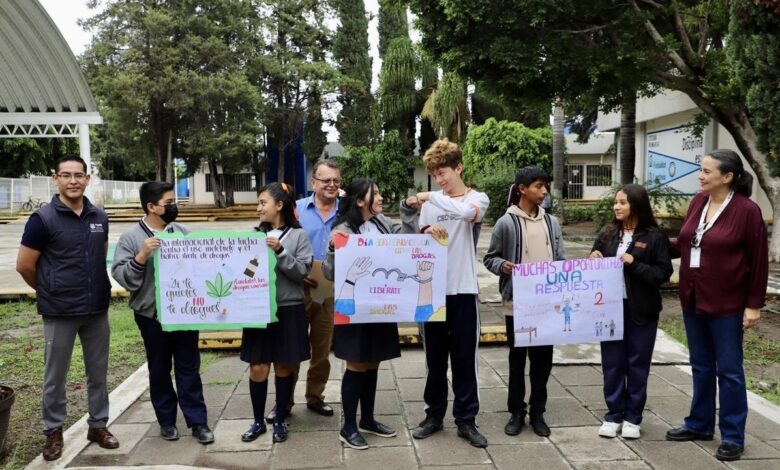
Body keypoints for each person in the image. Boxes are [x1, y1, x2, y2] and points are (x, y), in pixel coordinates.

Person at [665, 150, 768, 462]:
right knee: (701, 365)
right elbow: (686, 243)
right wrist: (643, 241)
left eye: (707, 171)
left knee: (730, 371)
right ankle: (699, 424)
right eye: (701, 169)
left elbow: (759, 260)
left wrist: (753, 305)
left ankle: (733, 436)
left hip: (728, 303)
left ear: (727, 177)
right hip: (693, 297)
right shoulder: (698, 203)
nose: (701, 175)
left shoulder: (747, 211)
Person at [16, 155, 118, 461]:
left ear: (87, 179)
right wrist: (48, 290)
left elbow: (100, 257)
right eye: (66, 175)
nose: (73, 180)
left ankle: (98, 426)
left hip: (96, 309)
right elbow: (24, 266)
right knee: (55, 376)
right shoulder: (43, 219)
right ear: (55, 178)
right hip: (59, 311)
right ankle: (54, 432)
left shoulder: (99, 216)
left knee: (98, 373)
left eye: (78, 175)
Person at [400, 139, 490, 448]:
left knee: (466, 359)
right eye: (435, 174)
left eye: (444, 173)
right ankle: (433, 415)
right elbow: (419, 239)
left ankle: (466, 419)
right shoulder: (430, 205)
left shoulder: (477, 197)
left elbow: (469, 214)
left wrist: (432, 198)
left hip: (463, 289)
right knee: (434, 360)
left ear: (458, 168)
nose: (439, 180)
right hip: (432, 291)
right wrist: (427, 231)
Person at [111, 181, 214, 445]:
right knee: (159, 368)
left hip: (185, 313)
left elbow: (201, 268)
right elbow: (123, 277)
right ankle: (166, 422)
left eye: (173, 202)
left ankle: (198, 421)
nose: (173, 207)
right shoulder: (132, 238)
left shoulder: (182, 232)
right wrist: (142, 255)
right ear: (151, 207)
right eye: (168, 203)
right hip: (151, 316)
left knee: (189, 367)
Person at [322, 179, 416, 449]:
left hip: (381, 305)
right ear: (360, 200)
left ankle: (368, 419)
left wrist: (414, 218)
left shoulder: (382, 223)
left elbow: (408, 241)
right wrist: (332, 250)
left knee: (373, 361)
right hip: (355, 308)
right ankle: (348, 425)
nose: (381, 197)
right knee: (356, 364)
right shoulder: (342, 229)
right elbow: (329, 273)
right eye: (376, 194)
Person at [483, 167, 565, 438]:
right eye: (539, 186)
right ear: (522, 189)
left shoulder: (550, 222)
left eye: (545, 187)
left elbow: (560, 259)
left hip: (547, 301)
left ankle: (538, 411)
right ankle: (516, 411)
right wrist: (503, 266)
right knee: (518, 358)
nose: (544, 191)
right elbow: (490, 258)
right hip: (517, 301)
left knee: (543, 358)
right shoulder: (506, 223)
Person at [589, 184, 673, 440]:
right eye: (616, 202)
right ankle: (613, 414)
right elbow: (594, 263)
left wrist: (634, 263)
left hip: (641, 310)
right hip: (610, 309)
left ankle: (632, 417)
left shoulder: (653, 237)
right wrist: (592, 257)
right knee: (612, 362)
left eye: (622, 202)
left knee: (637, 363)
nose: (616, 206)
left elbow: (663, 274)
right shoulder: (607, 233)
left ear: (636, 205)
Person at [266, 160, 341, 422]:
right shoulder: (296, 210)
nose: (331, 185)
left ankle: (315, 397)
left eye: (336, 181)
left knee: (322, 349)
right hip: (298, 288)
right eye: (325, 180)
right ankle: (283, 402)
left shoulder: (345, 213)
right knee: (291, 350)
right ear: (314, 183)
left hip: (330, 290)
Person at [241, 183, 313, 443]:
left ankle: (280, 419)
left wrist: (280, 252)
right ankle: (258, 421)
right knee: (258, 367)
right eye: (259, 203)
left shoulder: (298, 236)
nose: (259, 208)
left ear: (279, 205)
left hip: (289, 308)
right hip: (259, 310)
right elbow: (245, 272)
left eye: (263, 202)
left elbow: (302, 272)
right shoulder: (252, 236)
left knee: (284, 365)